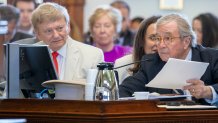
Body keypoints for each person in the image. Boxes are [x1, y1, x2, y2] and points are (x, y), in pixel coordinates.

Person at [119, 13, 218, 105]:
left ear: (186, 41)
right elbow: (124, 91)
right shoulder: (151, 63)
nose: (161, 45)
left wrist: (208, 91)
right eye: (157, 38)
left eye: (168, 38)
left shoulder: (212, 58)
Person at [32, 2, 104, 80]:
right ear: (38, 33)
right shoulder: (29, 55)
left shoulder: (93, 56)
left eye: (60, 28)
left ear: (68, 26)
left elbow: (98, 91)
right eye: (49, 31)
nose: (56, 35)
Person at [114, 16, 161, 84]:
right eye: (153, 38)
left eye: (165, 38)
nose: (158, 43)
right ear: (141, 41)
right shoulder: (123, 64)